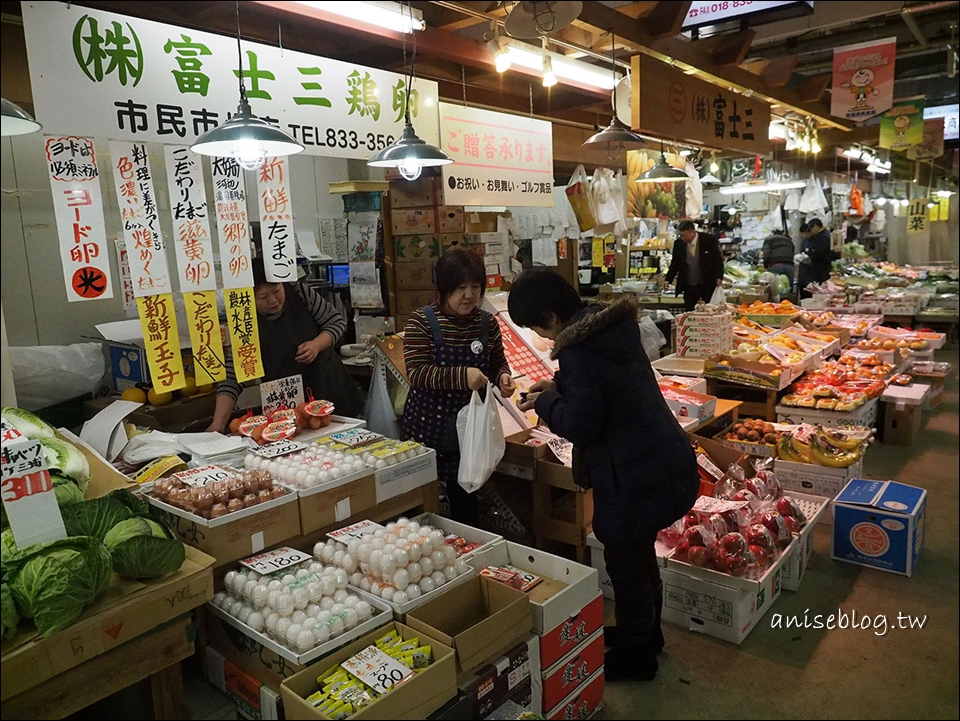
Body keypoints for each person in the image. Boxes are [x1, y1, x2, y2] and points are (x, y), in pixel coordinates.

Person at [509, 269, 698, 682]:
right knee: (638, 552)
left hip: (631, 473)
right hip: (656, 460)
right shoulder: (608, 328)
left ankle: (637, 655)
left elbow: (581, 423)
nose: (541, 336)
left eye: (537, 326)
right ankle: (647, 634)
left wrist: (545, 402)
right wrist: (557, 384)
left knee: (626, 561)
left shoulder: (580, 349)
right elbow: (600, 385)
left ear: (552, 316)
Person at [401, 249, 515, 525]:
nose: (469, 295)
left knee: (466, 498)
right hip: (429, 429)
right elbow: (416, 373)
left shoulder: (487, 323)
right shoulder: (421, 321)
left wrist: (503, 377)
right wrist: (462, 376)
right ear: (443, 288)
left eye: (475, 287)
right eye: (460, 288)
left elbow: (498, 362)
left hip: (470, 431)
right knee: (423, 501)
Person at [208, 257, 363, 432]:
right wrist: (218, 423)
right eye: (263, 297)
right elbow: (234, 372)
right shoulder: (243, 320)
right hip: (287, 407)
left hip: (329, 389)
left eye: (276, 291)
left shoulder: (299, 292)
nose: (273, 300)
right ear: (249, 298)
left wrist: (316, 345)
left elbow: (335, 322)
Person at [664, 220, 725, 311]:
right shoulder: (679, 244)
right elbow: (675, 263)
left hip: (707, 282)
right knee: (690, 310)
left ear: (692, 232)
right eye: (680, 235)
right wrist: (668, 279)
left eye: (685, 235)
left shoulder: (708, 240)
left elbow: (717, 260)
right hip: (689, 284)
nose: (683, 238)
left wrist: (719, 276)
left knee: (709, 310)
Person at [796, 217, 833, 299]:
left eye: (811, 229)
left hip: (817, 272)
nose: (811, 231)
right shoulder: (819, 236)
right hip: (808, 273)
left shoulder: (823, 237)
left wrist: (809, 258)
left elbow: (818, 254)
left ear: (816, 226)